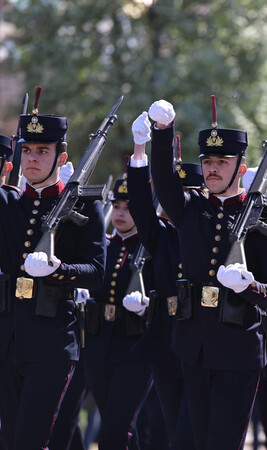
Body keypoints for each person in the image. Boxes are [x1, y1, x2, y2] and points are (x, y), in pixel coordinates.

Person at [138, 98, 267, 450]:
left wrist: (251, 287)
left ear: (242, 167)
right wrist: (162, 132)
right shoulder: (190, 208)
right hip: (193, 348)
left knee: (222, 443)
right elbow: (162, 180)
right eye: (207, 161)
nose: (213, 169)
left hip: (239, 352)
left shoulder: (262, 222)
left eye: (222, 161)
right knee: (189, 442)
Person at [0, 102, 106, 449]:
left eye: (42, 151)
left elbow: (97, 271)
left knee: (33, 440)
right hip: (9, 342)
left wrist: (59, 270)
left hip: (53, 343)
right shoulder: (10, 203)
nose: (32, 158)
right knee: (12, 438)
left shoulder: (84, 206)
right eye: (27, 150)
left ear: (61, 158)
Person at [127, 113, 197, 449]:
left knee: (191, 435)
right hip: (168, 343)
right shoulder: (164, 235)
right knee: (171, 433)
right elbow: (141, 207)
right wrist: (140, 152)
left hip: (203, 341)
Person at [83, 176, 154, 449]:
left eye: (128, 207)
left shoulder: (150, 247)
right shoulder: (103, 245)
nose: (121, 213)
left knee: (116, 428)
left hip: (135, 348)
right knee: (120, 428)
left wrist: (147, 304)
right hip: (99, 344)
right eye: (117, 206)